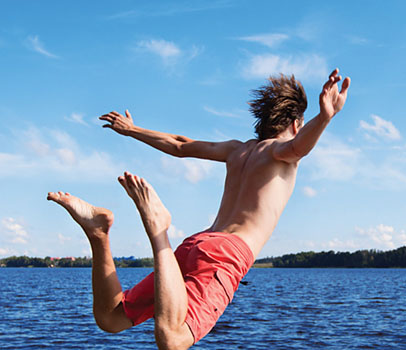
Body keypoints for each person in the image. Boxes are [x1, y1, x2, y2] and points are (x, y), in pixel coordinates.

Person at [47, 69, 350, 349]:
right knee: (173, 339)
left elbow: (181, 145)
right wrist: (325, 118)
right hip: (228, 253)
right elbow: (298, 148)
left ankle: (99, 234)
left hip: (196, 245)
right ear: (296, 124)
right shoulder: (281, 152)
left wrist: (132, 129)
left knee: (112, 318)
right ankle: (158, 229)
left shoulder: (236, 150)